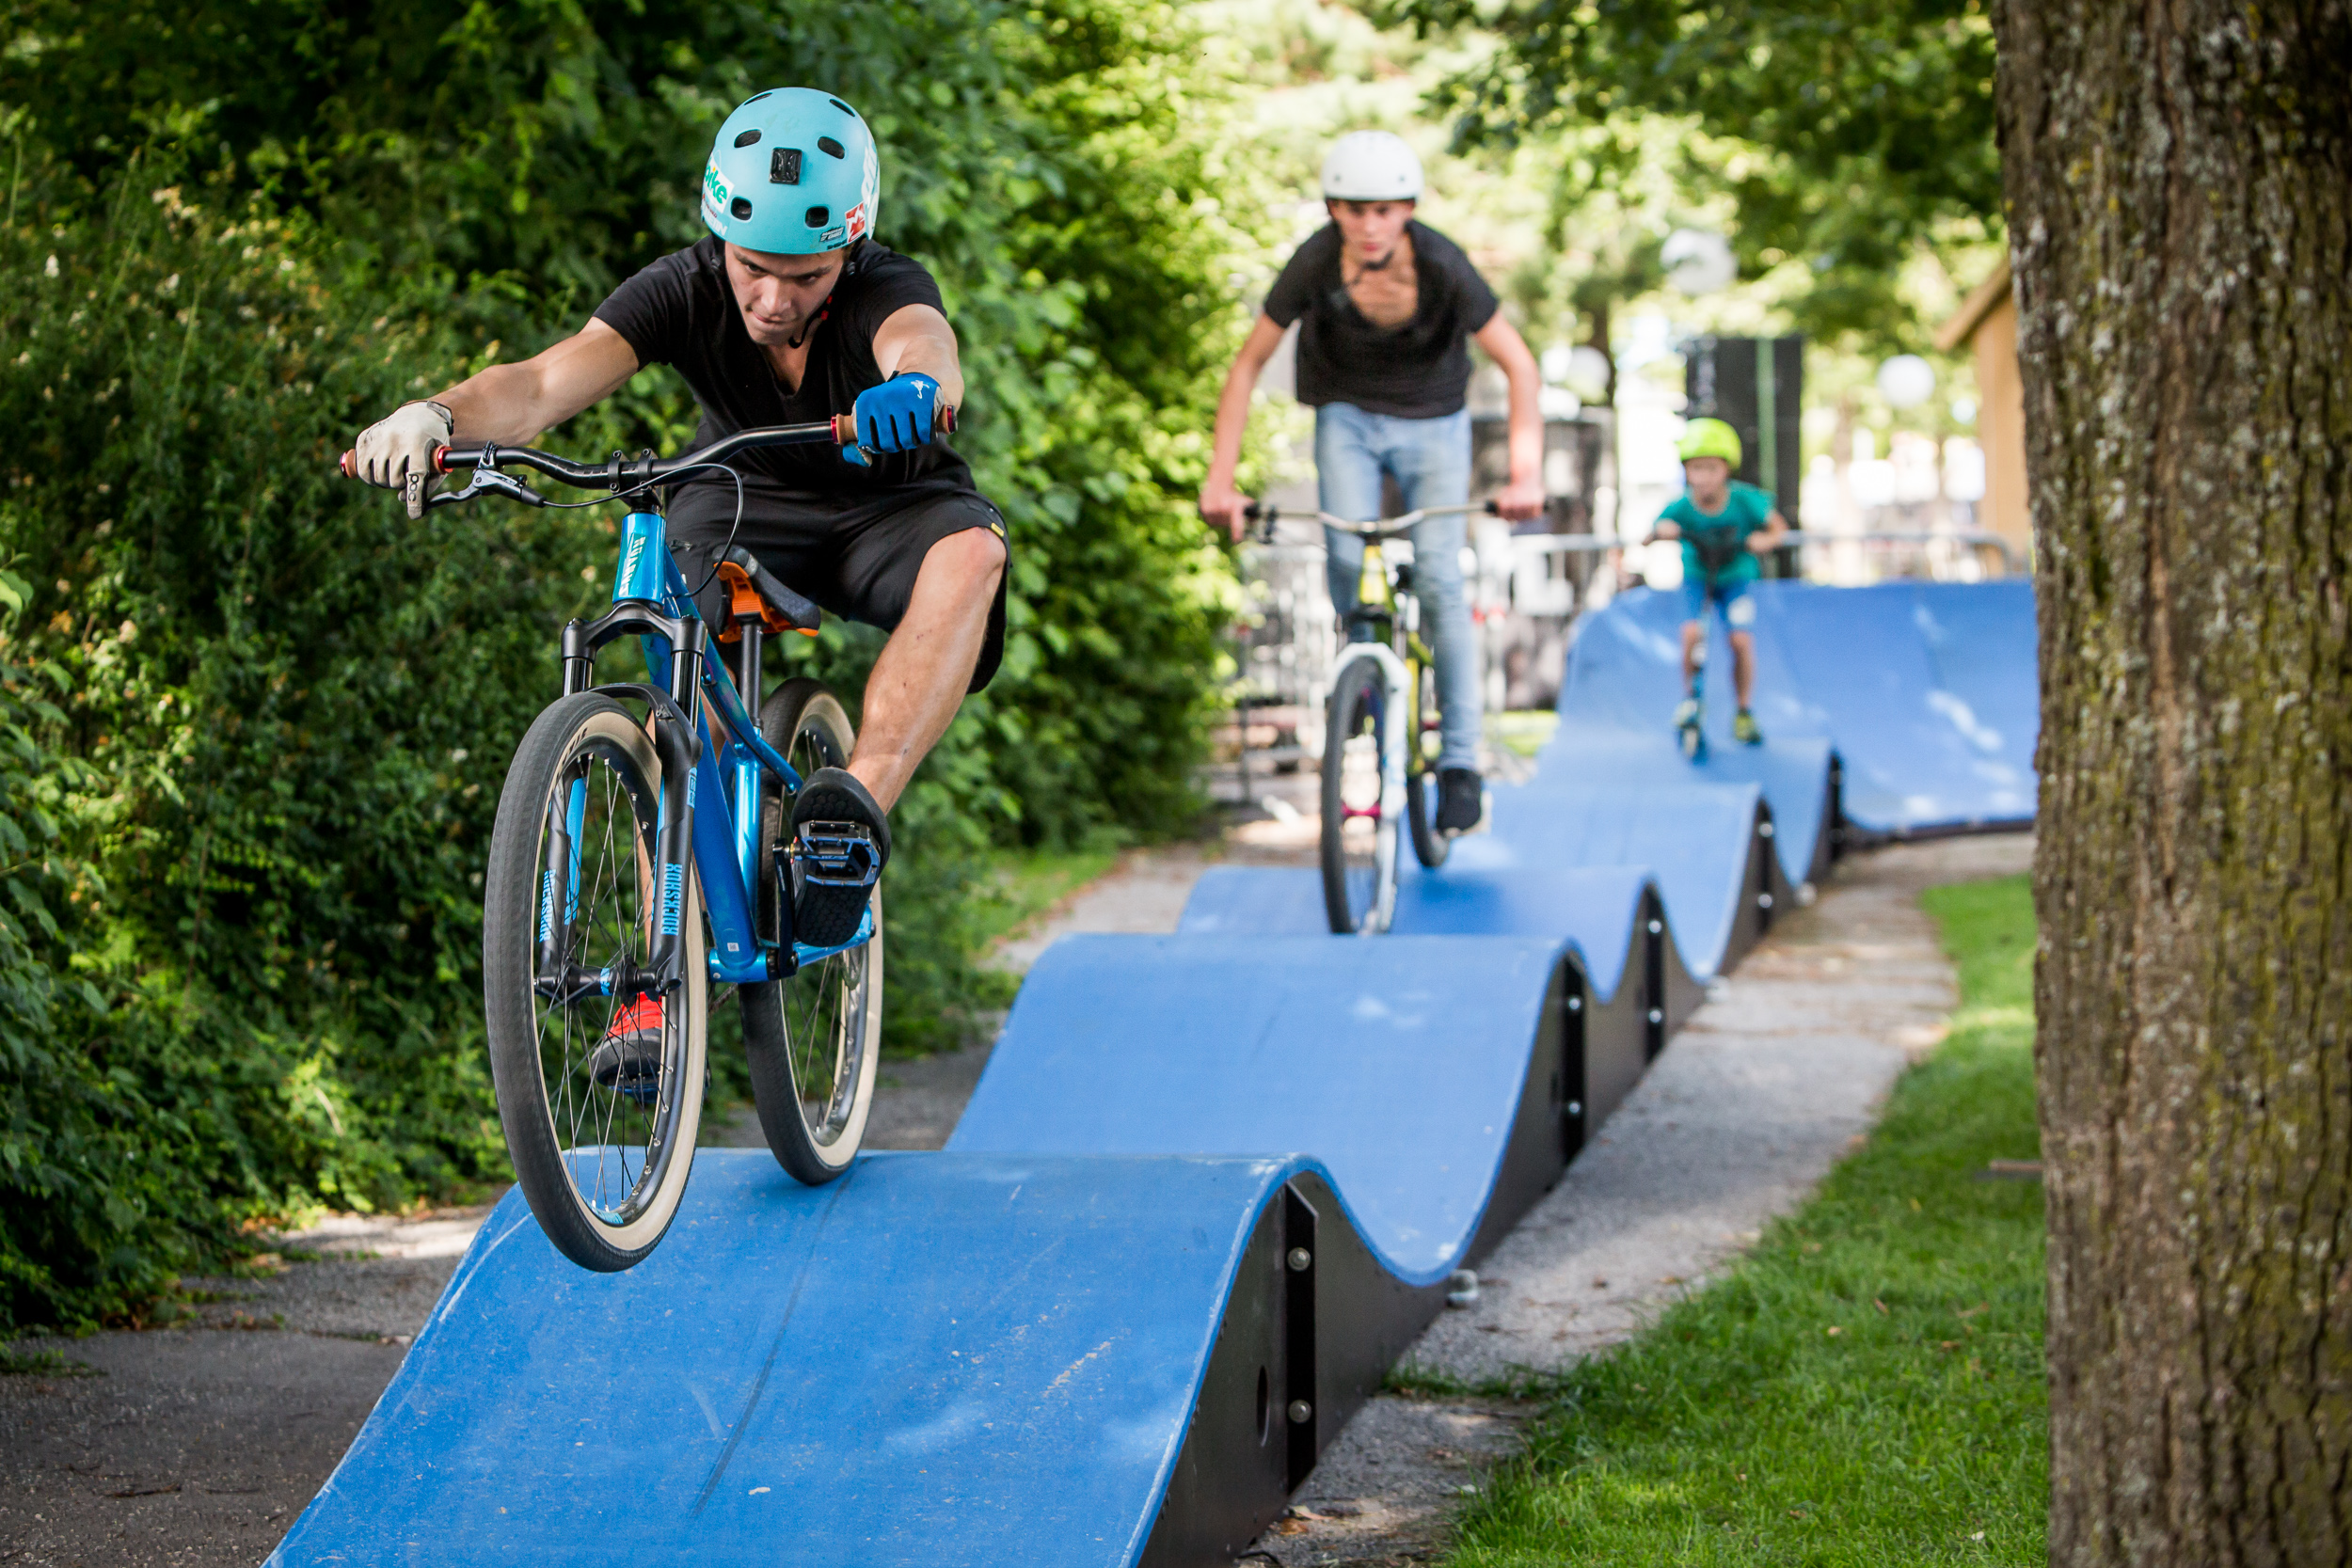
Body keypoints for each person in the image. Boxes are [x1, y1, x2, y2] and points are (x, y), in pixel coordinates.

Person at [349, 88, 1005, 1072]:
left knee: (976, 552)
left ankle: (845, 818)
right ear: (718, 238)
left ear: (849, 251)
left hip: (888, 502)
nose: (775, 299)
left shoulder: (884, 283)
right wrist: (435, 414)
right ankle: (657, 983)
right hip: (738, 489)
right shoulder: (681, 288)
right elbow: (537, 385)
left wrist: (916, 391)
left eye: (806, 275)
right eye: (753, 268)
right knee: (663, 653)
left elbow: (925, 345)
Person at [1198, 131, 1546, 832]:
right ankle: (1362, 665)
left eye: (1385, 210)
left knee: (1443, 579)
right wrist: (1220, 480)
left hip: (1435, 422)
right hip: (1348, 416)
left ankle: (1459, 762)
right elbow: (1246, 366)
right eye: (1355, 210)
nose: (1370, 226)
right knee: (1347, 553)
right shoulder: (1315, 263)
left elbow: (1519, 364)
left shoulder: (1443, 264)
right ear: (1334, 210)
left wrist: (1524, 476)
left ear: (1408, 210)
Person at [1649, 418, 1788, 746]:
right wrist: (1661, 531)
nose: (1703, 477)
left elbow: (1777, 528)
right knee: (1692, 635)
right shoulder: (1682, 505)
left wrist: (1763, 541)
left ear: (1726, 470)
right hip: (1698, 577)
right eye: (1696, 469)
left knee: (1740, 642)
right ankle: (1690, 700)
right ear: (1687, 472)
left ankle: (1743, 710)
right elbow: (1653, 529)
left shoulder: (1744, 500)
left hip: (1736, 578)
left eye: (1711, 468)